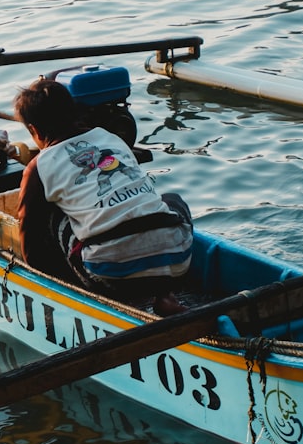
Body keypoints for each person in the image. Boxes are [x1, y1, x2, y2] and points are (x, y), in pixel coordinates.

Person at [13, 77, 194, 315]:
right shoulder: (111, 138)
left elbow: (32, 250)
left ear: (34, 131)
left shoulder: (39, 166)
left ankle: (84, 296)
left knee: (53, 216)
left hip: (110, 275)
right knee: (171, 200)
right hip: (177, 260)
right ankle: (166, 296)